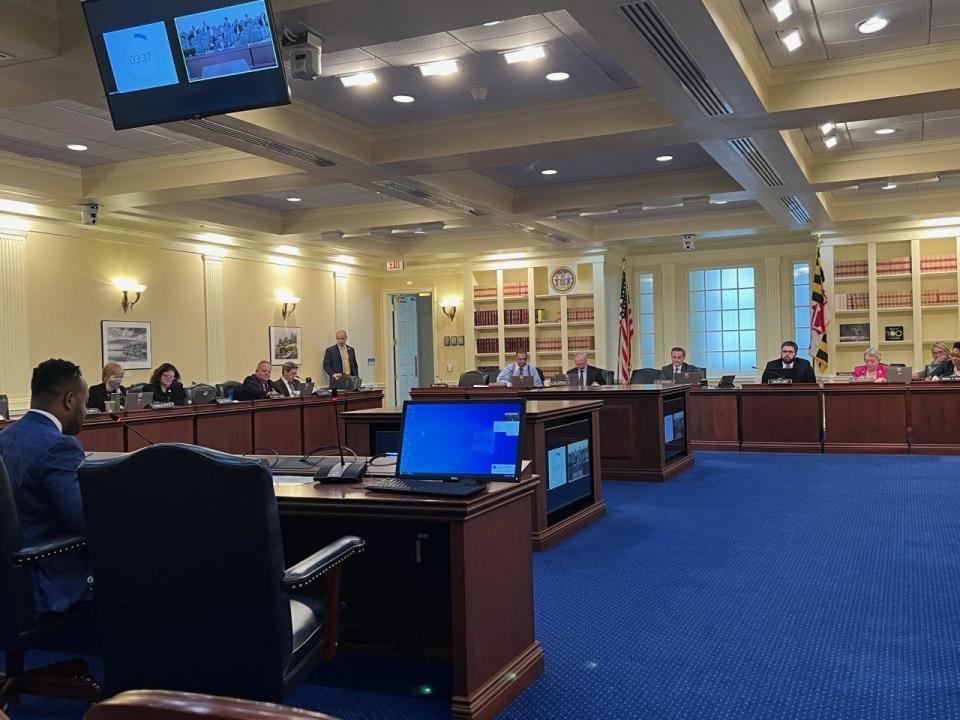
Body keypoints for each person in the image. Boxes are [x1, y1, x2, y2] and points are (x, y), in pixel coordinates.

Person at [0, 359, 91, 613]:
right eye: (85, 403)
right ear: (70, 400)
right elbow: (83, 520)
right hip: (47, 575)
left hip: (9, 576)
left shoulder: (4, 437)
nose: (85, 411)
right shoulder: (59, 446)